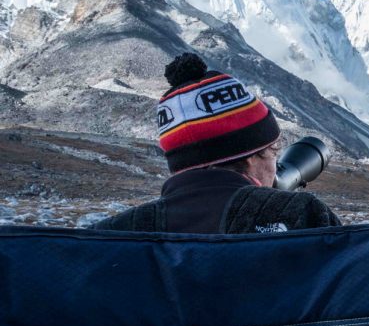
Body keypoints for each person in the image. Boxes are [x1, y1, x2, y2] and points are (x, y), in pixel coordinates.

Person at [92, 53, 341, 234]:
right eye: (274, 151)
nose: (277, 167)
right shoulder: (302, 216)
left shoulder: (110, 235)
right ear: (251, 156)